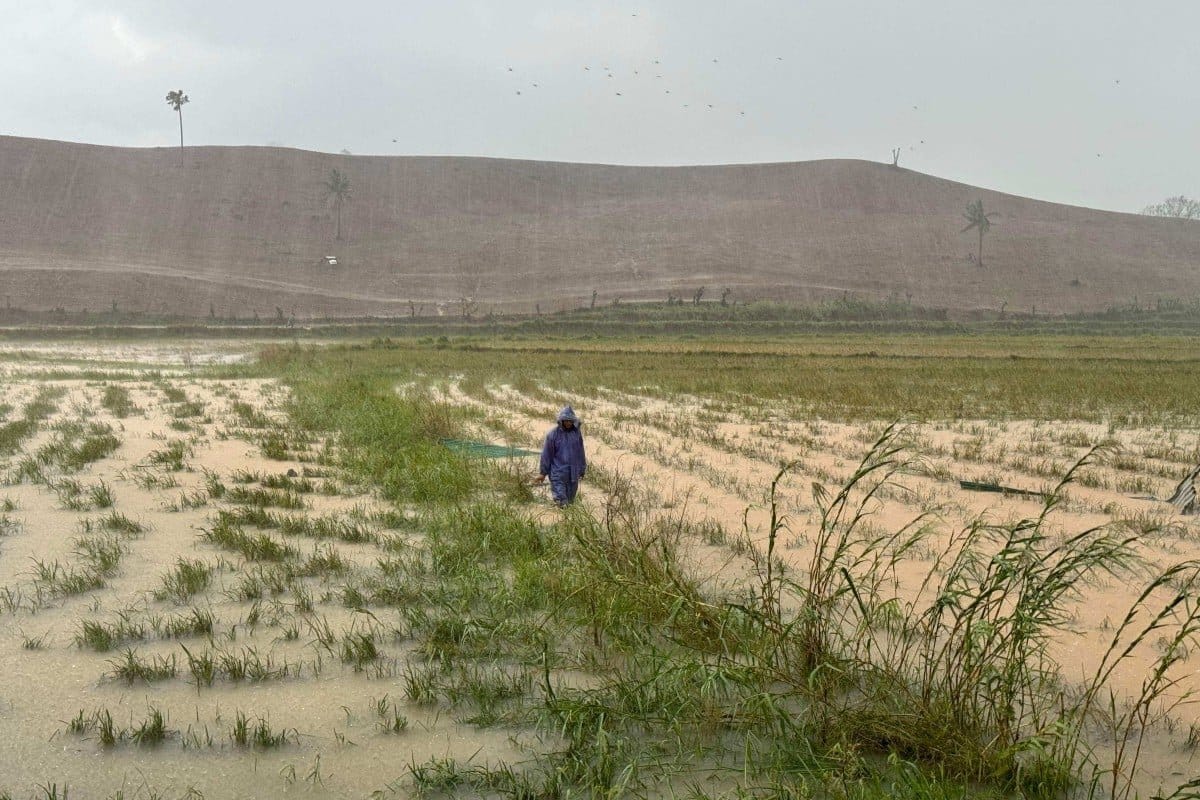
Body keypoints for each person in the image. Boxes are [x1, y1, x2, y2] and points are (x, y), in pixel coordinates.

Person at [537, 406, 587, 506]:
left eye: (570, 421)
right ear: (561, 421)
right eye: (566, 420)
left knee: (570, 501)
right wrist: (543, 473)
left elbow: (580, 452)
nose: (568, 423)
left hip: (573, 474)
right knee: (561, 501)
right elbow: (547, 455)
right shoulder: (553, 435)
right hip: (558, 473)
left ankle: (567, 515)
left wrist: (582, 469)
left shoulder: (576, 434)